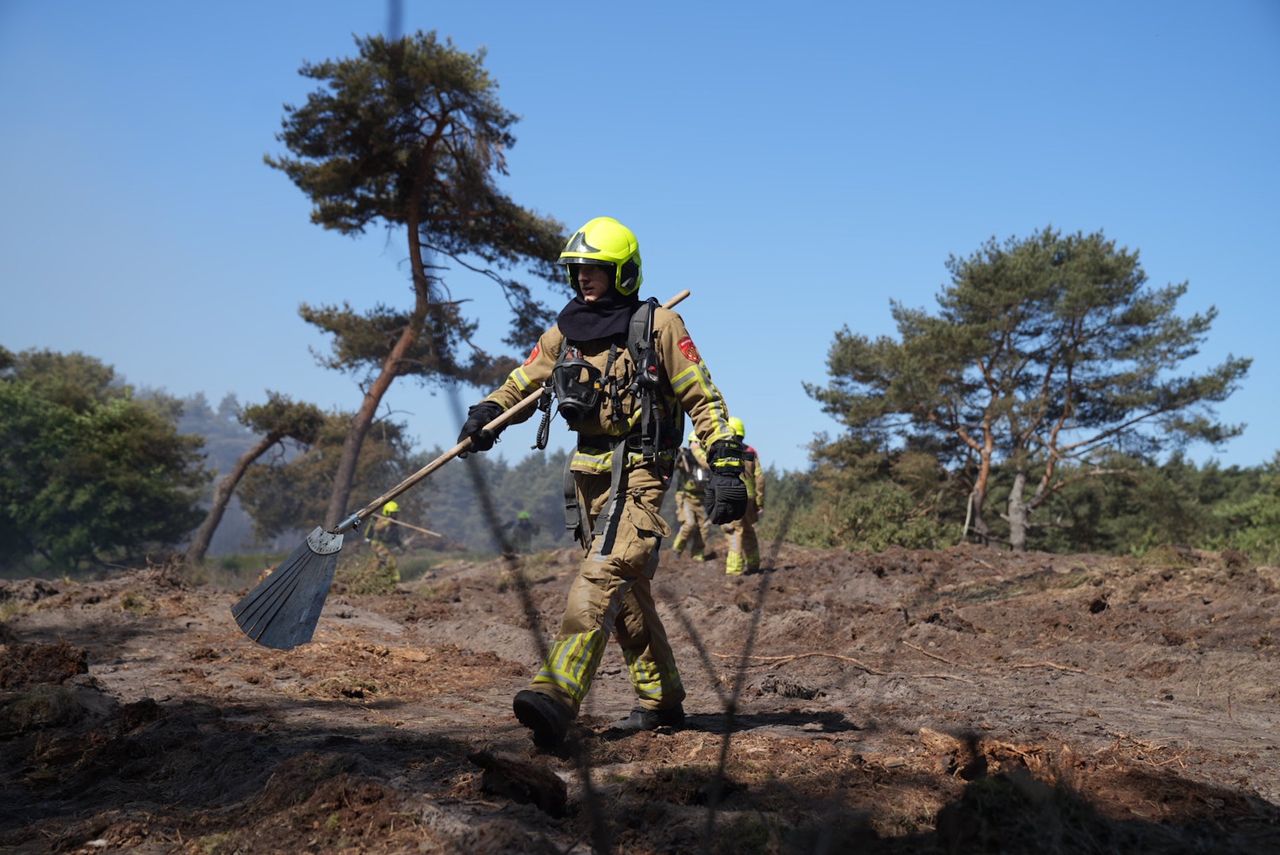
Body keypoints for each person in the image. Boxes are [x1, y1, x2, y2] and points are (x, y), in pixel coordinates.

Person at [457, 215, 747, 748]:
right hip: (587, 477)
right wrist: (486, 415)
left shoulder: (659, 327)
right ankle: (662, 700)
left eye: (595, 268)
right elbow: (522, 383)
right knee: (627, 590)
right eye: (578, 269)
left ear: (623, 273)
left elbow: (702, 398)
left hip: (640, 471)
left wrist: (726, 464)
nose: (584, 278)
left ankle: (556, 693)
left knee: (600, 575)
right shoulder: (564, 332)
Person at [721, 417, 765, 575]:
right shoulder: (751, 452)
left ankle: (734, 569)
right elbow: (760, 478)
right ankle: (754, 564)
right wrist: (759, 503)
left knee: (735, 531)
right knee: (748, 529)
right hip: (749, 498)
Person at [672, 432, 715, 561]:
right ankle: (677, 549)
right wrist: (678, 457)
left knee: (704, 526)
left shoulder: (707, 460)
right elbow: (673, 467)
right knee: (689, 524)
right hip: (686, 497)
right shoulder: (685, 458)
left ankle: (697, 554)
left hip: (702, 497)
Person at [365, 500, 403, 584]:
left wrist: (400, 545)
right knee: (390, 560)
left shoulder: (393, 523)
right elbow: (377, 528)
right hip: (377, 544)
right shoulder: (382, 519)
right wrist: (387, 522)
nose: (395, 515)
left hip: (383, 544)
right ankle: (395, 580)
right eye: (393, 513)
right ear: (388, 512)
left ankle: (368, 578)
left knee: (378, 562)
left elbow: (394, 536)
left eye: (396, 513)